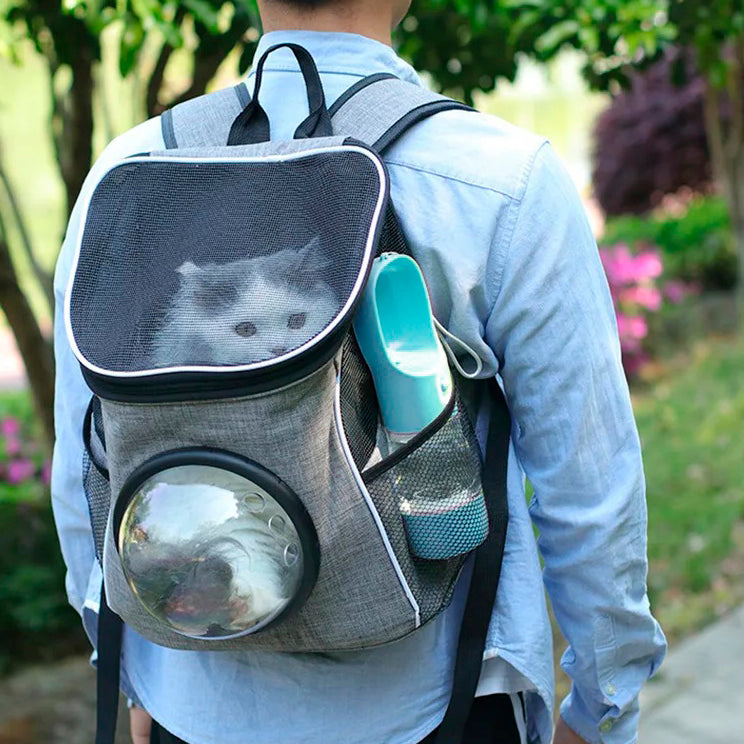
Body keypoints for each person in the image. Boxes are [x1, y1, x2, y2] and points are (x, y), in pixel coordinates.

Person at [51, 1, 667, 743]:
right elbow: (590, 491)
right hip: (443, 706)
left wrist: (135, 672)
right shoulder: (499, 179)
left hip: (195, 706)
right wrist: (602, 710)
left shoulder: (126, 173)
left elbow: (84, 473)